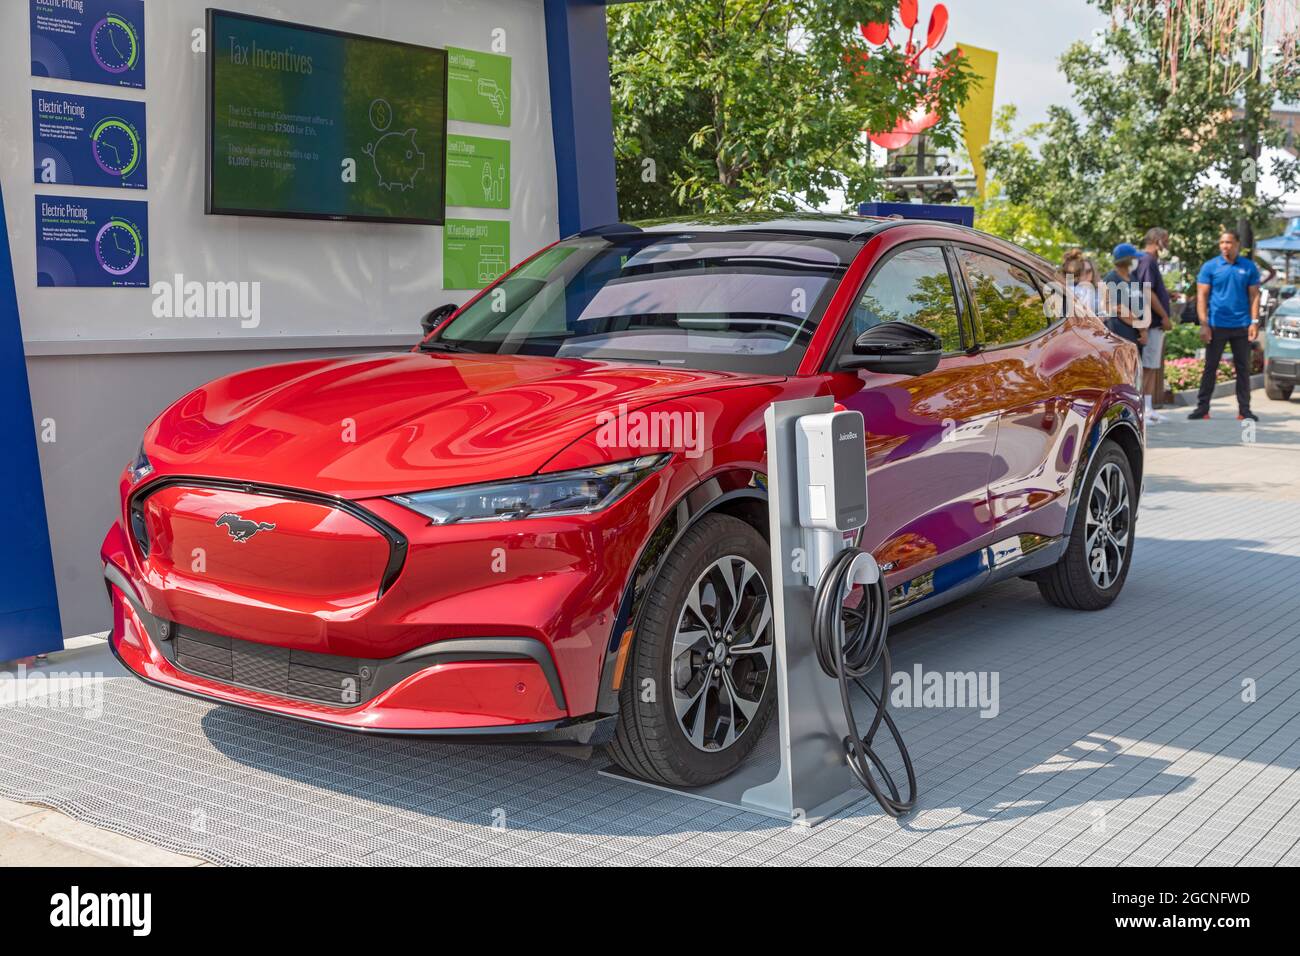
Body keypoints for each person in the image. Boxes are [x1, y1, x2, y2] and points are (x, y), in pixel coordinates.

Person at [1189, 230, 1261, 421]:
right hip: (1216, 325)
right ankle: (1202, 409)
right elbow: (1202, 297)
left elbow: (1255, 296)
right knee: (1210, 367)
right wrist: (1204, 324)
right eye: (1221, 242)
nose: (1224, 246)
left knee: (1243, 369)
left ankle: (1244, 410)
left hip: (1242, 325)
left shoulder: (1248, 267)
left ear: (1237, 244)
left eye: (1228, 242)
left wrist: (1254, 322)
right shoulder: (1210, 267)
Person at [1133, 228, 1173, 423]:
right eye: (1166, 240)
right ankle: (1144, 409)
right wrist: (1164, 316)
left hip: (1151, 322)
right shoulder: (1148, 260)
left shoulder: (1148, 260)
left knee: (1150, 366)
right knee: (1147, 366)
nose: (1168, 244)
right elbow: (1147, 291)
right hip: (1151, 322)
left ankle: (1148, 408)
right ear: (1157, 241)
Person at [1101, 243, 1148, 348]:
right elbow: (1119, 308)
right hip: (1122, 332)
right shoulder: (1111, 279)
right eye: (1134, 258)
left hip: (1136, 333)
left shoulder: (1132, 278)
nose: (1137, 261)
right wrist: (1141, 327)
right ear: (1127, 260)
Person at [1060, 248, 1100, 315]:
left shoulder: (1096, 289)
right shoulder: (1069, 291)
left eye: (1088, 271)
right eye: (1081, 272)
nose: (1086, 275)